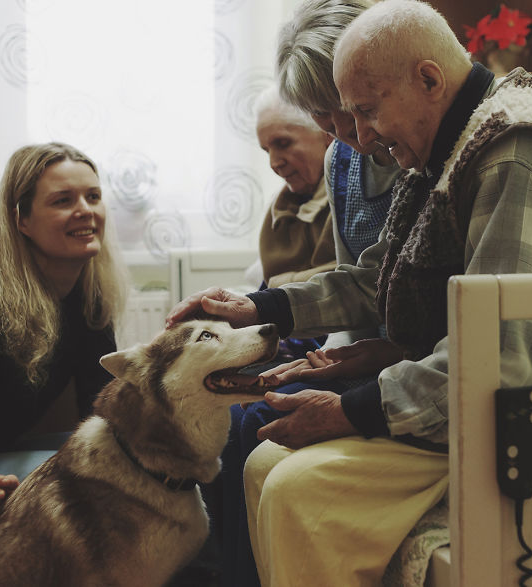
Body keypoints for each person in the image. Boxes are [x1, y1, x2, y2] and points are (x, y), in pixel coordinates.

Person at [168, 0, 532, 584]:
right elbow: (383, 277)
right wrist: (264, 306)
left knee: (297, 488)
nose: (358, 137)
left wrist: (349, 410)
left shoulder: (519, 153)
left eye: (365, 112)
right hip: (473, 395)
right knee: (264, 461)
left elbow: (499, 358)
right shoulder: (445, 146)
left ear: (428, 79)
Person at [215, 3, 403, 586]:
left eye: (348, 114)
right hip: (362, 351)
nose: (351, 135)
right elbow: (361, 283)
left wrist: (332, 367)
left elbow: (378, 296)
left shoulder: (415, 156)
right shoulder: (344, 163)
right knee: (242, 413)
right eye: (334, 119)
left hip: (396, 363)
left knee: (258, 417)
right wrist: (263, 313)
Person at [0, 142, 127, 584]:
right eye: (63, 200)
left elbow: (98, 415)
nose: (85, 211)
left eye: (92, 197)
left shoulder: (88, 297)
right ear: (21, 220)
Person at [253, 85, 337, 290]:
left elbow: (361, 278)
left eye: (283, 143)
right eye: (267, 151)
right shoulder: (277, 215)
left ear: (326, 133)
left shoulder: (350, 197)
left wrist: (278, 289)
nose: (273, 163)